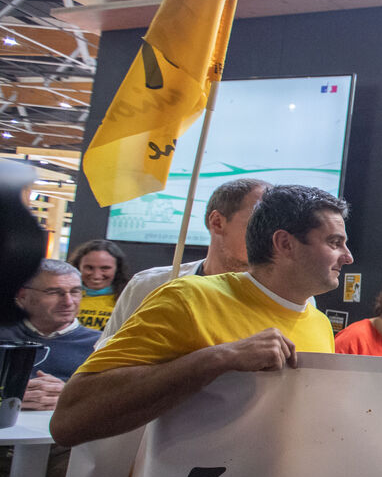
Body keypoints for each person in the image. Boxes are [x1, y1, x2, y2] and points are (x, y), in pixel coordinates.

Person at [49, 184, 352, 447]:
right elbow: (69, 421)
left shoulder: (319, 323)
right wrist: (218, 358)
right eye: (334, 243)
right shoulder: (188, 298)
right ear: (285, 244)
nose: (348, 257)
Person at [99, 178, 270, 345]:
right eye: (258, 225)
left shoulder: (278, 298)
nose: (271, 237)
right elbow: (104, 358)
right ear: (217, 222)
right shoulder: (149, 285)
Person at [0, 260, 100, 409]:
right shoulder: (4, 335)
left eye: (75, 291)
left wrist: (71, 396)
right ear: (22, 296)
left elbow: (116, 400)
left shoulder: (101, 344)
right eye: (54, 292)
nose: (68, 302)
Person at [67, 239, 131, 331]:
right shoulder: (64, 298)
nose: (96, 275)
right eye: (89, 268)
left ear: (117, 269)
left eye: (105, 268)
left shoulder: (129, 300)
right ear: (77, 267)